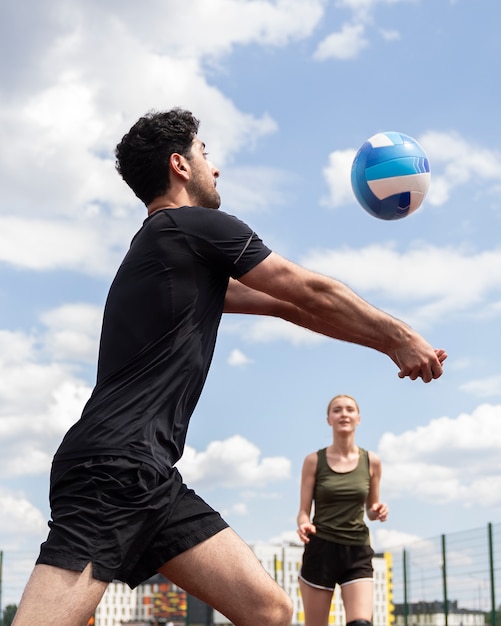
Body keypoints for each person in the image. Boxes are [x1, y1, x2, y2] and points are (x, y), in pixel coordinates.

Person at [13, 108, 446, 626]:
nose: (213, 168)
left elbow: (290, 304)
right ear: (179, 164)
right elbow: (310, 288)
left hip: (151, 476)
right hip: (111, 469)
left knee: (267, 609)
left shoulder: (171, 251)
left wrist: (386, 347)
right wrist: (400, 336)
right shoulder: (189, 227)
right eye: (205, 153)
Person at [297, 394, 388, 626]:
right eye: (337, 410)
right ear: (329, 419)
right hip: (321, 550)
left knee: (361, 624)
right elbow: (303, 512)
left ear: (358, 418)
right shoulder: (313, 461)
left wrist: (376, 510)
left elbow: (370, 509)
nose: (344, 414)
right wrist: (303, 524)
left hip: (357, 550)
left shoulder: (372, 461)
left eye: (349, 409)